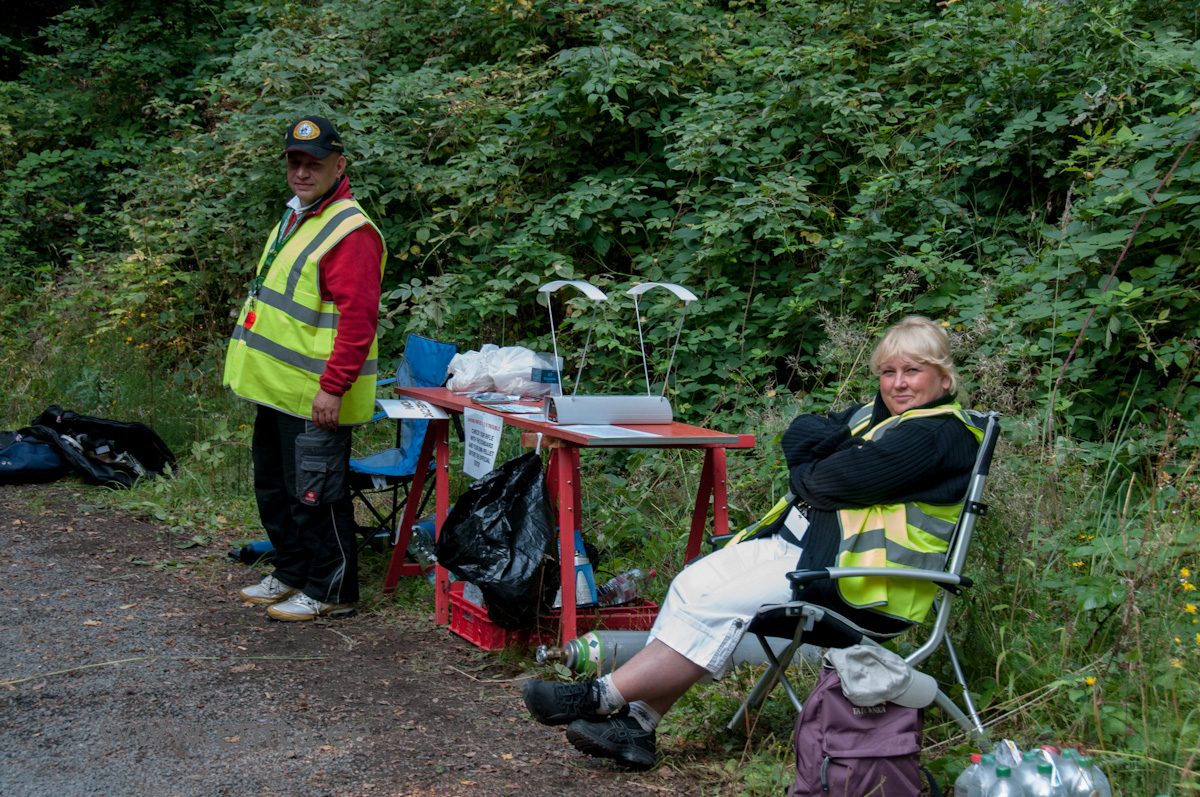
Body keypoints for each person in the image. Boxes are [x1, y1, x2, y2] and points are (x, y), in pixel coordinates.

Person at [521, 316, 985, 769]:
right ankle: (639, 726)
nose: (898, 383)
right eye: (889, 371)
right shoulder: (875, 417)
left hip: (856, 582)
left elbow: (833, 479)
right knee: (691, 584)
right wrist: (817, 471)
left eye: (913, 370)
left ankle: (600, 698)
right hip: (799, 549)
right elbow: (801, 433)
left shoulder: (939, 433)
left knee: (717, 603)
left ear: (943, 379)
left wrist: (814, 472)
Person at [223, 114, 386, 621]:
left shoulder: (350, 230)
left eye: (313, 163)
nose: (301, 171)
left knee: (315, 495)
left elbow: (358, 322)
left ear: (339, 165)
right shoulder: (298, 216)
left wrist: (333, 389)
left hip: (316, 393)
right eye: (294, 161)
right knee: (275, 489)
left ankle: (333, 589)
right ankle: (293, 571)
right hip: (277, 389)